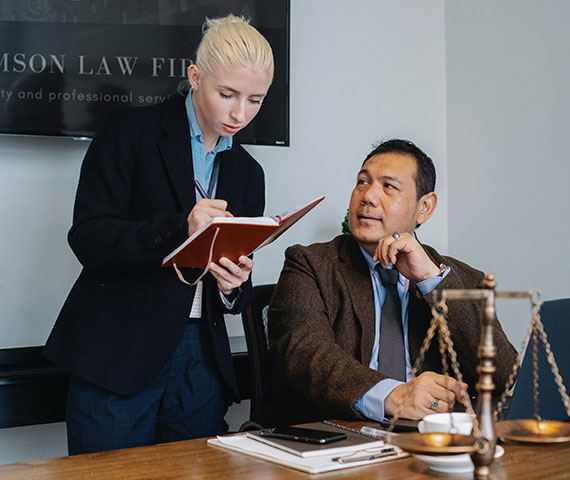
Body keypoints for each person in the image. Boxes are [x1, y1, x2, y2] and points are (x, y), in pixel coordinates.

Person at [43, 14, 274, 454]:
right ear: (195, 77)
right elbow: (88, 237)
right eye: (227, 94)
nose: (240, 113)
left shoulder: (249, 173)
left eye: (255, 100)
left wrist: (234, 286)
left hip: (201, 362)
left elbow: (235, 283)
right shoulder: (129, 131)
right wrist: (179, 226)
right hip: (118, 352)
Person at [256, 139, 517, 427]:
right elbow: (307, 356)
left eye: (388, 186)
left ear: (424, 207)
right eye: (362, 182)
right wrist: (393, 395)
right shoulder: (309, 264)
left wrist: (431, 281)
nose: (368, 196)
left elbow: (504, 377)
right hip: (331, 435)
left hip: (428, 439)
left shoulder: (463, 279)